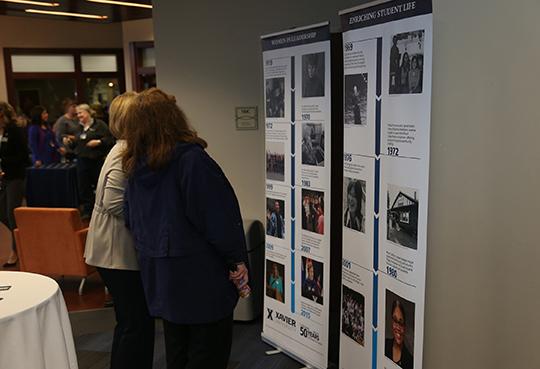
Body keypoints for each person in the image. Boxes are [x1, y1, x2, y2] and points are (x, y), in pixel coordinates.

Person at [121, 87, 250, 369]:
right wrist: (236, 260)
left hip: (161, 275)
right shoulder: (191, 161)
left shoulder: (134, 164)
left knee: (177, 351)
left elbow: (130, 218)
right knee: (209, 352)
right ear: (174, 118)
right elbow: (218, 220)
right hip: (200, 276)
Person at [84, 92, 155, 369]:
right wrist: (148, 223)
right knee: (136, 323)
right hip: (116, 251)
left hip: (111, 248)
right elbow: (113, 201)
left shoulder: (123, 146)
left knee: (130, 322)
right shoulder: (126, 150)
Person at [63, 103, 113, 221]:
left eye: (80, 113)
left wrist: (99, 142)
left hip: (96, 160)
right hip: (82, 160)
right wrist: (69, 142)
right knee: (84, 187)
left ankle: (103, 210)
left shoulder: (99, 125)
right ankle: (88, 211)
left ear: (88, 113)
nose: (78, 115)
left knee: (99, 185)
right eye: (77, 113)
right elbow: (77, 143)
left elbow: (109, 139)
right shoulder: (78, 127)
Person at [0, 101, 30, 267]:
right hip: (1, 178)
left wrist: (3, 160)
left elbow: (24, 158)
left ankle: (15, 251)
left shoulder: (15, 132)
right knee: (2, 212)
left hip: (14, 177)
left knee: (12, 214)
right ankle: (21, 236)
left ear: (2, 113)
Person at [385, 299, 413, 369]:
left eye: (401, 323)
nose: (398, 328)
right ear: (391, 321)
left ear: (405, 326)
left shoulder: (410, 360)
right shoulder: (385, 345)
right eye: (395, 321)